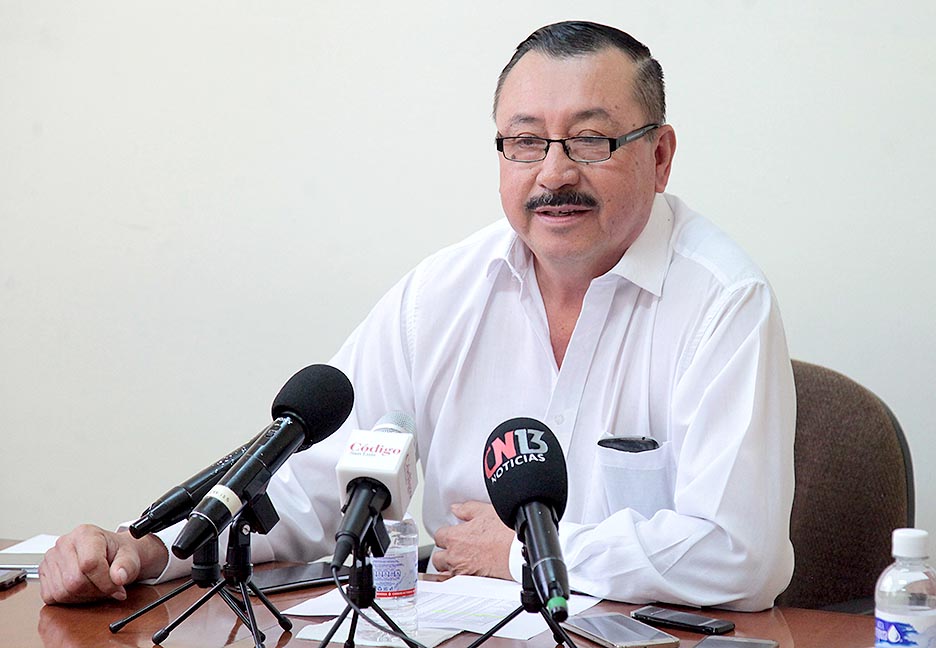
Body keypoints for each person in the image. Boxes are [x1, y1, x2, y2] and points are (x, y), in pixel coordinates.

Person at [40, 20, 795, 612]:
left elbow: (740, 554)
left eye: (591, 140)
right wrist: (147, 549)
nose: (554, 172)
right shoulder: (440, 296)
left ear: (659, 157)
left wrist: (525, 552)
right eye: (525, 142)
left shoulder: (722, 302)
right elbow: (309, 490)